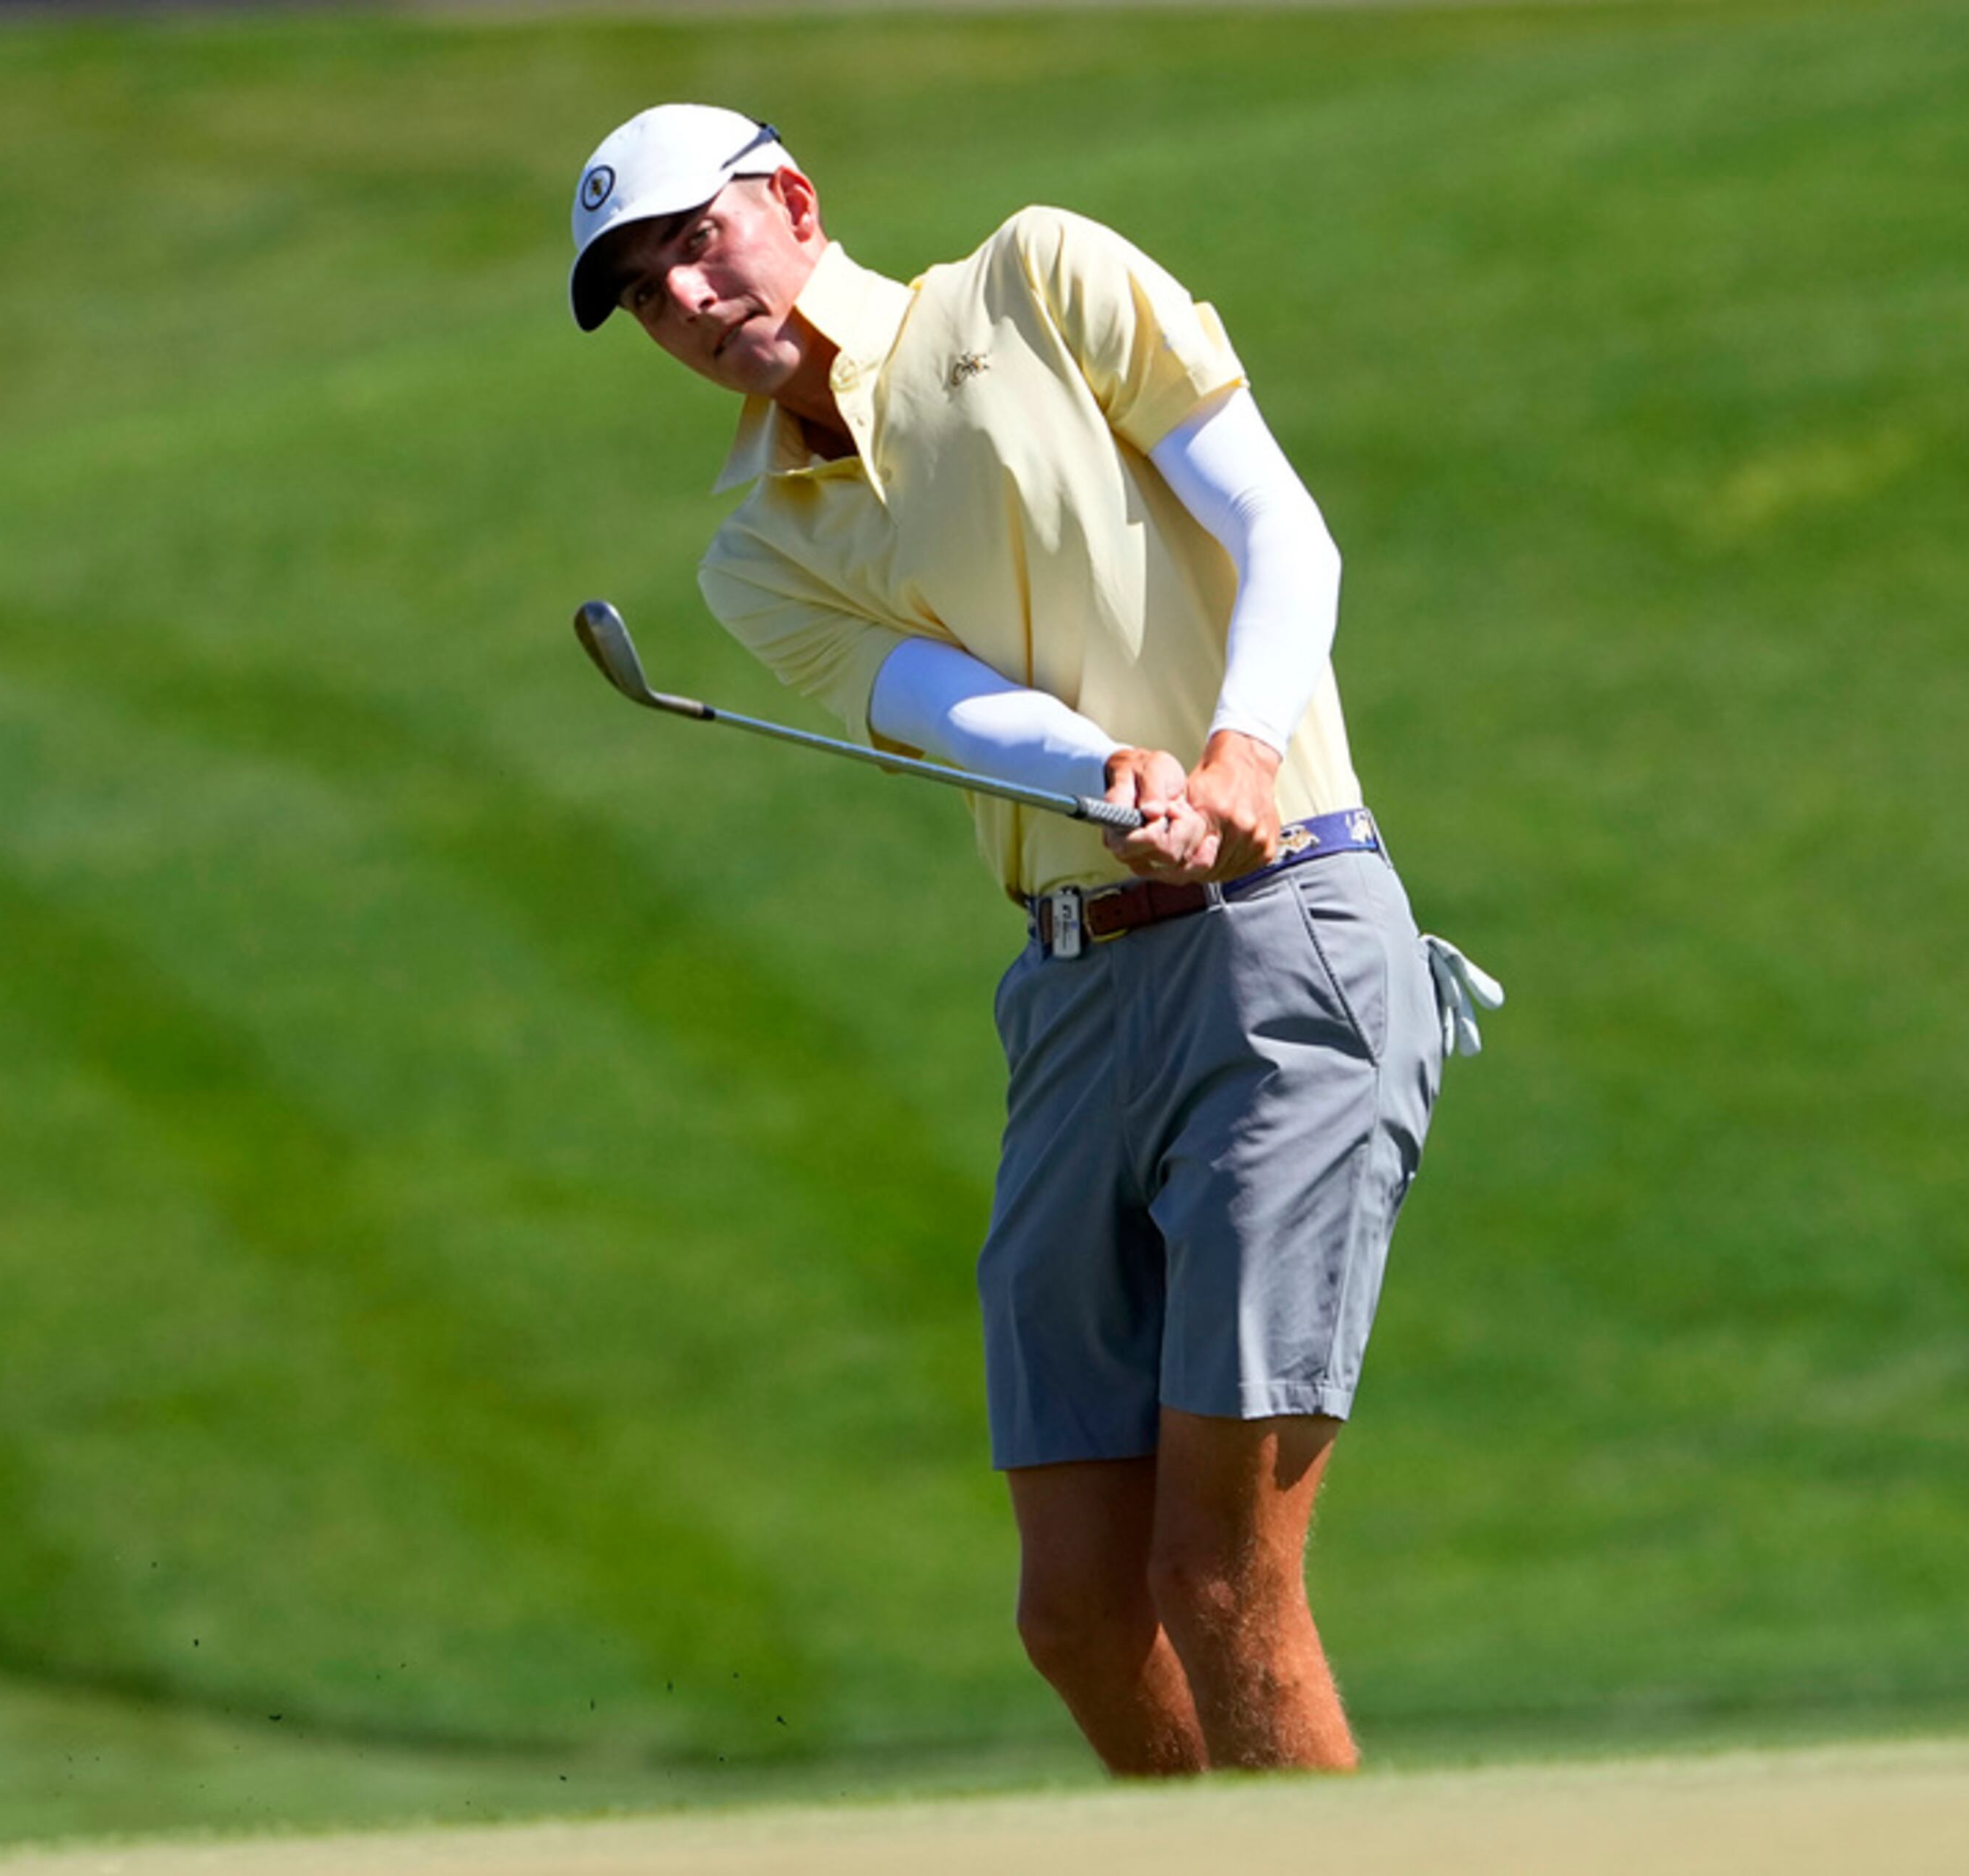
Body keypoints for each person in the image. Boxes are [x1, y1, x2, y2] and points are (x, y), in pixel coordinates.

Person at [567, 104, 1500, 1774]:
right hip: (1073, 993)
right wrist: (1108, 768)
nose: (689, 299)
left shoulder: (1035, 283)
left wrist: (1237, 754)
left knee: (1218, 1571)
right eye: (645, 291)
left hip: (1282, 942)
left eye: (701, 239)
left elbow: (1286, 531)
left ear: (791, 200)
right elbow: (936, 701)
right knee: (1078, 1610)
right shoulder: (761, 547)